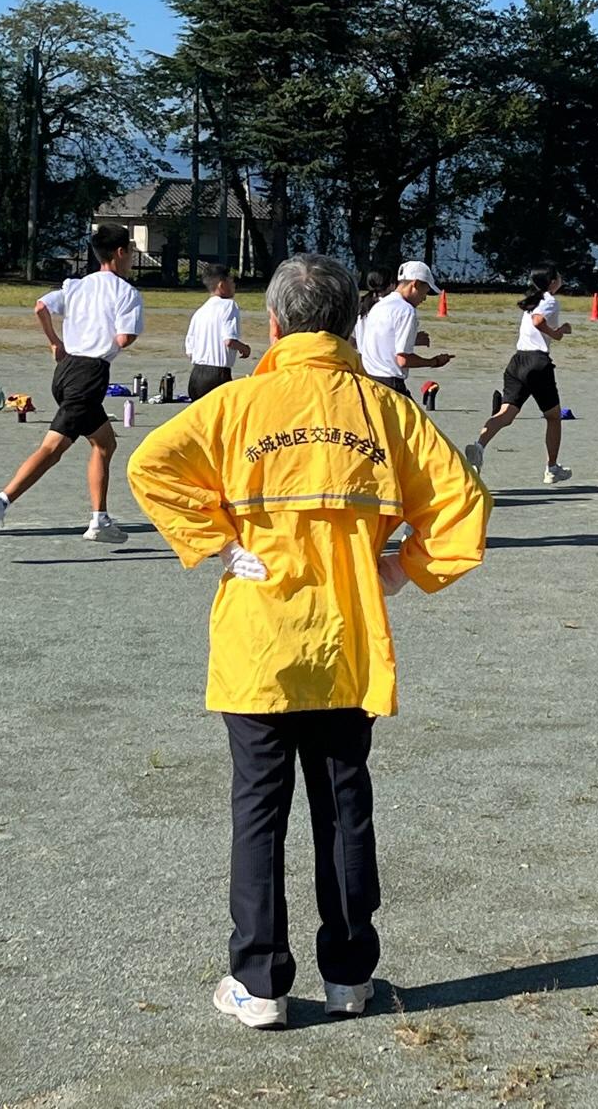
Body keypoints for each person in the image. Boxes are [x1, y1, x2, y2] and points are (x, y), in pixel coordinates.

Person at [126, 253, 492, 1029]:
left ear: (273, 323)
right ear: (353, 323)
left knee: (259, 808)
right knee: (343, 804)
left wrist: (216, 541)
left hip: (259, 637)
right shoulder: (385, 412)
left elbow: (151, 463)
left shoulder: (237, 404)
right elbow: (464, 502)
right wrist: (402, 569)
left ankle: (258, 984)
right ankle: (351, 976)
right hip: (347, 637)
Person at [0, 224, 144, 549]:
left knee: (105, 443)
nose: (132, 258)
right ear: (121, 253)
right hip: (90, 375)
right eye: (131, 252)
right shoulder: (127, 294)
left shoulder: (77, 286)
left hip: (65, 372)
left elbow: (40, 306)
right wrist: (112, 340)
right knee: (52, 450)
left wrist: (55, 342)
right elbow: (124, 338)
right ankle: (0, 502)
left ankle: (100, 519)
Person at [464, 268, 570, 484]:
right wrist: (557, 333)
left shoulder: (532, 300)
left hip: (517, 361)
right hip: (537, 363)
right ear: (551, 282)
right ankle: (551, 468)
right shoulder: (550, 300)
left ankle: (479, 446)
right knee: (553, 417)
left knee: (506, 414)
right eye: (558, 276)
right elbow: (539, 321)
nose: (561, 279)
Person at [354, 261, 450, 396]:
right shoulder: (406, 310)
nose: (424, 298)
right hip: (391, 384)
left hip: (369, 380)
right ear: (415, 284)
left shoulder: (379, 306)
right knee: (414, 418)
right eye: (425, 292)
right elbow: (403, 359)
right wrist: (434, 362)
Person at [185, 263, 252, 399]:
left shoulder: (200, 312)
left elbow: (189, 351)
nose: (234, 285)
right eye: (231, 281)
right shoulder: (228, 305)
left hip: (196, 376)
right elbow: (229, 340)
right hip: (217, 375)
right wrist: (244, 348)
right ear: (221, 285)